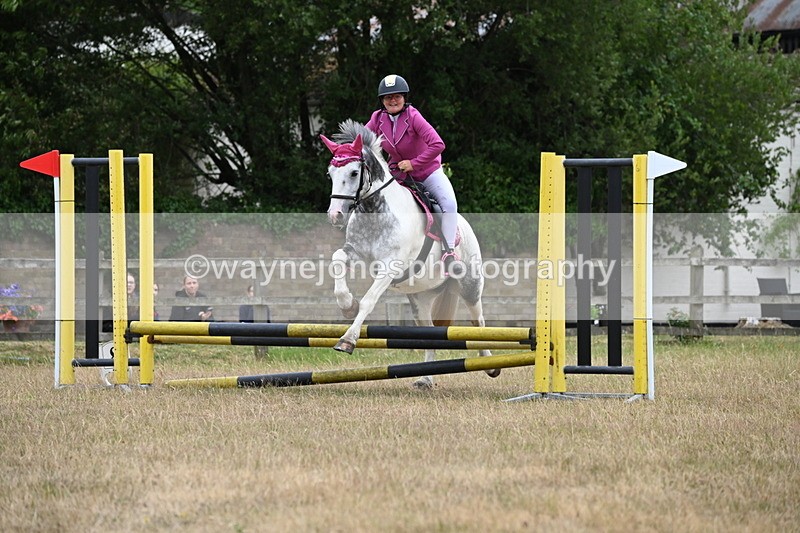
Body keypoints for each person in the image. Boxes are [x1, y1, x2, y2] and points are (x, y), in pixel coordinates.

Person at [365, 74, 461, 273]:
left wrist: (414, 163)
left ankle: (449, 252)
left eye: (397, 96)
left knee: (449, 203)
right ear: (382, 101)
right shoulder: (377, 118)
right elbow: (361, 140)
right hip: (398, 174)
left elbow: (438, 144)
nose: (393, 100)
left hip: (427, 171)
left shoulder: (413, 116)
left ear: (404, 98)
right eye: (388, 97)